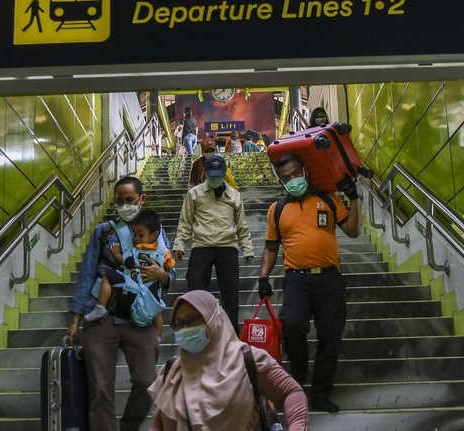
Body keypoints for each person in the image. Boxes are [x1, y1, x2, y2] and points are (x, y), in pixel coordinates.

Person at [67, 176, 176, 431]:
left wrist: (164, 277)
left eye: (130, 200)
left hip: (139, 317)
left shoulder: (156, 233)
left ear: (141, 200)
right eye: (120, 201)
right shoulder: (103, 232)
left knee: (148, 380)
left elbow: (169, 272)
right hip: (102, 316)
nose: (125, 205)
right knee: (101, 387)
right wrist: (76, 318)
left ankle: (128, 427)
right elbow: (87, 271)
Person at [257, 153, 360, 413]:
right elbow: (271, 247)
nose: (292, 180)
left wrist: (354, 198)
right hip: (296, 280)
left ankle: (321, 394)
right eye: (286, 178)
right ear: (281, 181)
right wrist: (263, 277)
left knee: (330, 338)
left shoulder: (327, 199)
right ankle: (298, 377)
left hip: (329, 279)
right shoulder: (277, 209)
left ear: (304, 172)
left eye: (295, 174)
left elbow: (353, 230)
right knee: (291, 325)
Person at [148, 290, 309, 431]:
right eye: (178, 323)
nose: (185, 328)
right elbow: (159, 425)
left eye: (191, 320)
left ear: (213, 319)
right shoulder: (172, 372)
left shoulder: (248, 360)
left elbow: (291, 392)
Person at [173, 155, 254, 333]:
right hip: (202, 246)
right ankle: (196, 331)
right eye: (212, 175)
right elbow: (185, 221)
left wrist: (247, 247)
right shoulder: (194, 194)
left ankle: (232, 335)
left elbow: (241, 224)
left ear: (224, 173)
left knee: (230, 294)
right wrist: (180, 244)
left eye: (219, 175)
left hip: (228, 247)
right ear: (205, 173)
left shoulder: (234, 195)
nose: (216, 179)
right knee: (195, 290)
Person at [84, 209, 175, 336]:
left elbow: (128, 263)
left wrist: (116, 255)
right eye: (135, 235)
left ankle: (100, 306)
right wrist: (164, 270)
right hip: (150, 287)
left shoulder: (135, 251)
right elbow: (170, 265)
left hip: (135, 283)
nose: (136, 238)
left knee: (109, 276)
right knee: (156, 311)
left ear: (154, 235)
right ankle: (158, 336)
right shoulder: (164, 251)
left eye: (140, 235)